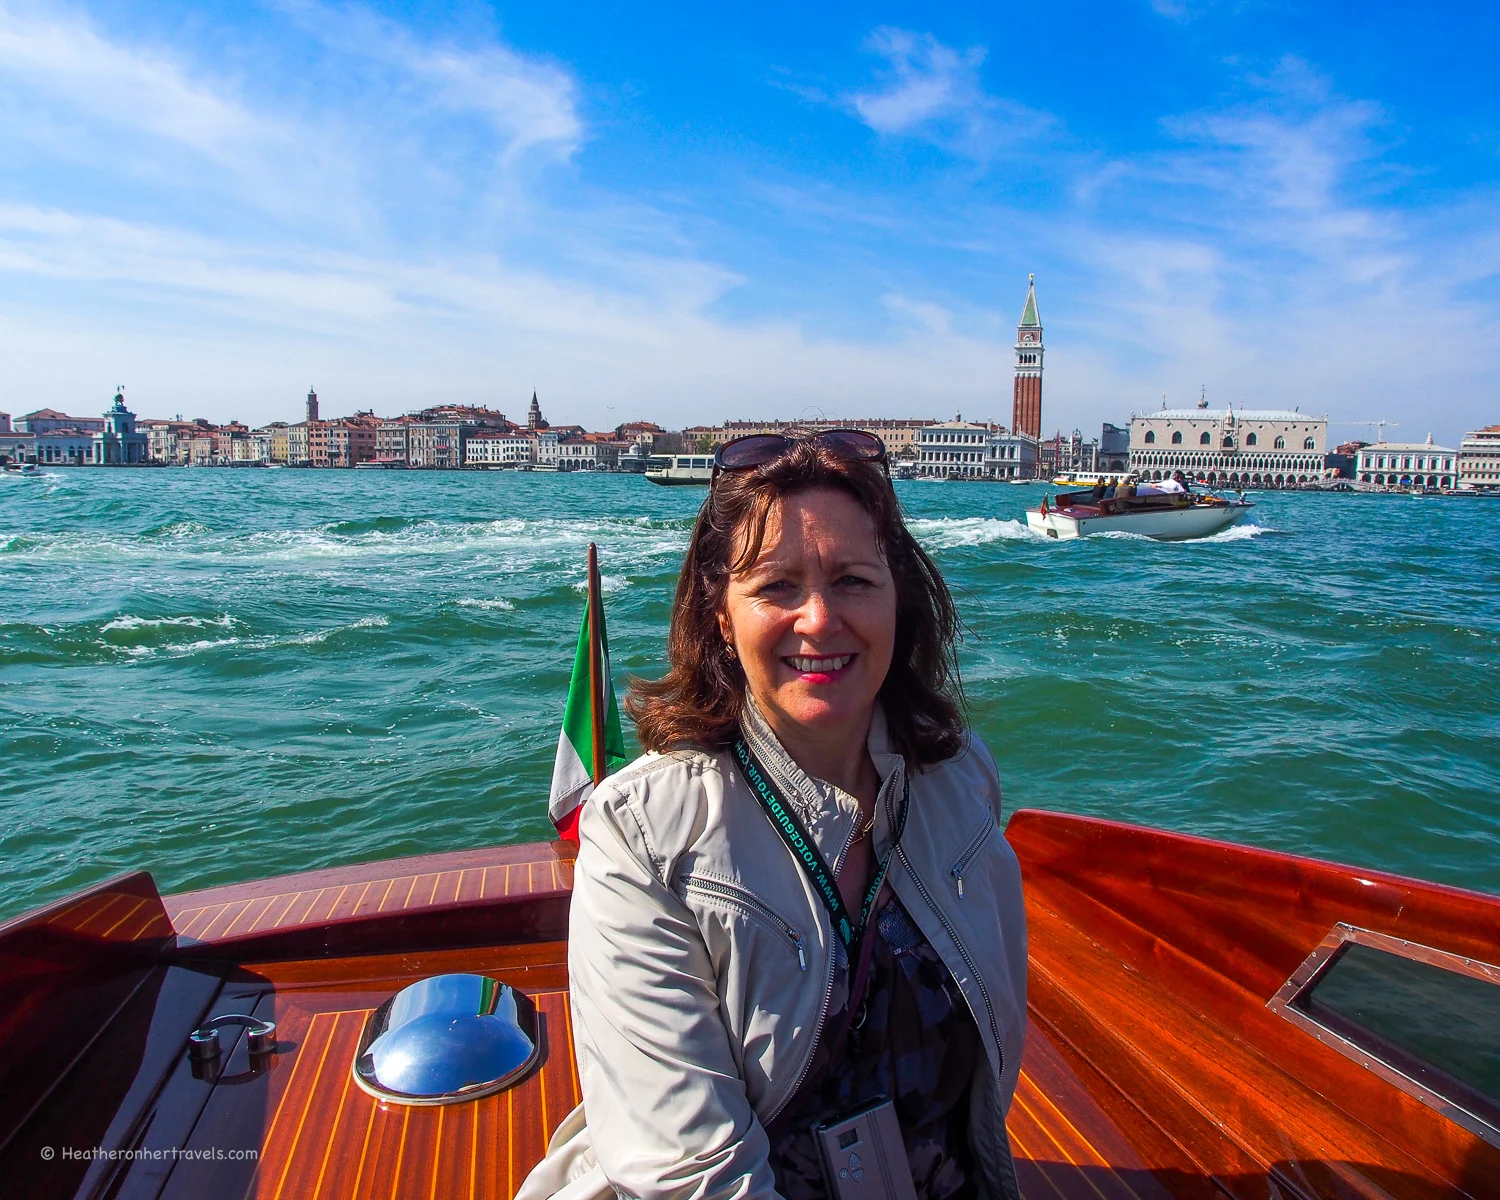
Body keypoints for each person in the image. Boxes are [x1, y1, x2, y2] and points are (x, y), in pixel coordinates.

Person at [519, 431, 1027, 1200]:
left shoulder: (960, 779)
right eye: (777, 586)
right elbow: (694, 1177)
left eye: (854, 580)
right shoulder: (640, 835)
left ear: (899, 596)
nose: (820, 620)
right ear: (721, 614)